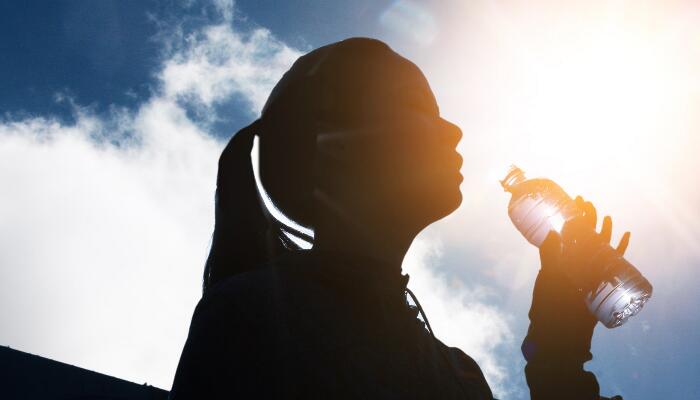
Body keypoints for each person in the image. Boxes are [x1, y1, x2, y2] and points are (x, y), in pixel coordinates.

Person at [169, 38, 628, 399]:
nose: (453, 129)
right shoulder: (254, 317)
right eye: (416, 109)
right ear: (338, 143)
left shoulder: (458, 373)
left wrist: (556, 352)